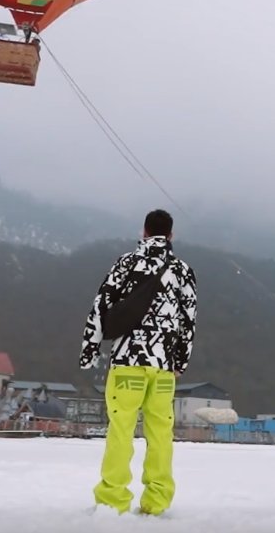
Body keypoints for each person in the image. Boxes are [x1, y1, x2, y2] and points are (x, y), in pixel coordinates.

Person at [79, 209, 197, 517]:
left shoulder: (126, 263)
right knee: (160, 433)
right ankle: (156, 502)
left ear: (144, 231)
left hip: (126, 361)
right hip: (163, 365)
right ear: (170, 235)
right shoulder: (183, 270)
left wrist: (89, 350)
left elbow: (100, 305)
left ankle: (113, 500)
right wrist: (180, 361)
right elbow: (189, 320)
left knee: (121, 430)